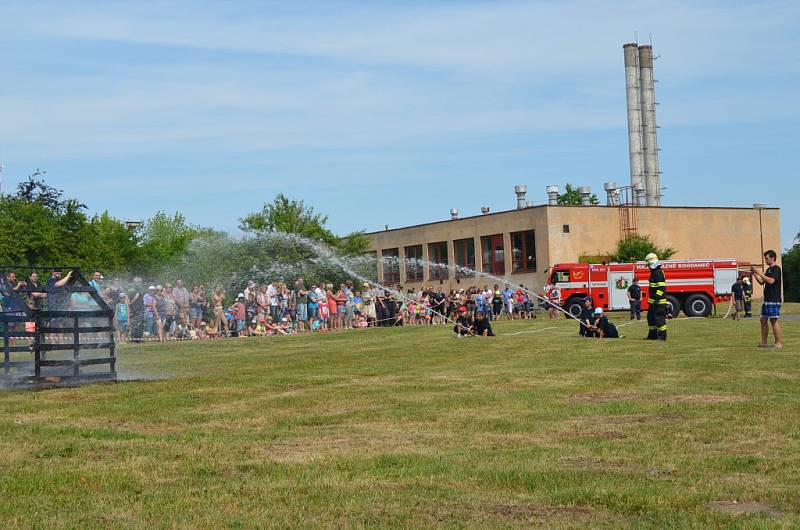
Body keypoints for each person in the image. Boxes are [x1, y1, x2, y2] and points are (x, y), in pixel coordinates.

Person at [752, 250, 783, 349]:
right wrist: (755, 275)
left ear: (773, 258)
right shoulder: (769, 270)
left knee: (773, 320)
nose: (765, 260)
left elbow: (770, 281)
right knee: (763, 320)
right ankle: (764, 343)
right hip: (767, 300)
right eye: (765, 258)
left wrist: (759, 273)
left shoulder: (776, 269)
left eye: (767, 258)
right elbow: (762, 282)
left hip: (773, 299)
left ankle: (778, 343)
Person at [645, 253, 668, 341]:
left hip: (659, 302)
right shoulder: (654, 273)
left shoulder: (658, 273)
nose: (648, 267)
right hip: (653, 302)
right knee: (650, 318)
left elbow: (661, 288)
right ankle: (652, 336)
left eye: (648, 265)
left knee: (659, 318)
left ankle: (662, 337)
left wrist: (656, 299)